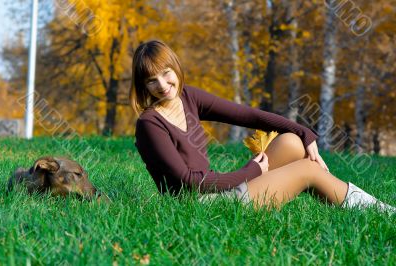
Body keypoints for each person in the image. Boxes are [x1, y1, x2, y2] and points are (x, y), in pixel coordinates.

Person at [130, 40, 395, 213]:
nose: (162, 85)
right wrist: (250, 172)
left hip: (218, 189)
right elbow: (189, 183)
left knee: (292, 141)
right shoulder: (149, 124)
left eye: (166, 74)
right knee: (306, 169)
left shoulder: (188, 97)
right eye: (152, 81)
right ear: (143, 86)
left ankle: (346, 200)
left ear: (175, 69)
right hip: (198, 207)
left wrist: (305, 132)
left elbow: (250, 116)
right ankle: (379, 212)